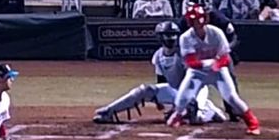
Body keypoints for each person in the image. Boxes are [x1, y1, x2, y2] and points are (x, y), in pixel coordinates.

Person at [93, 20, 227, 125]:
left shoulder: (184, 53)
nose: (171, 38)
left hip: (195, 89)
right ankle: (108, 111)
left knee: (196, 118)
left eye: (173, 35)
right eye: (167, 35)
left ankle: (209, 110)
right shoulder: (158, 56)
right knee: (144, 90)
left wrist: (178, 107)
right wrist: (161, 101)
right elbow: (162, 81)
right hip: (175, 89)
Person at [167, 0, 261, 135]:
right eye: (192, 20)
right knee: (182, 99)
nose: (195, 22)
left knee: (232, 98)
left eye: (197, 19)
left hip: (218, 72)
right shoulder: (185, 37)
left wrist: (218, 64)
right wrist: (209, 62)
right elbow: (191, 62)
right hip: (197, 73)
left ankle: (252, 123)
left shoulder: (216, 32)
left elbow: (225, 57)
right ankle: (178, 115)